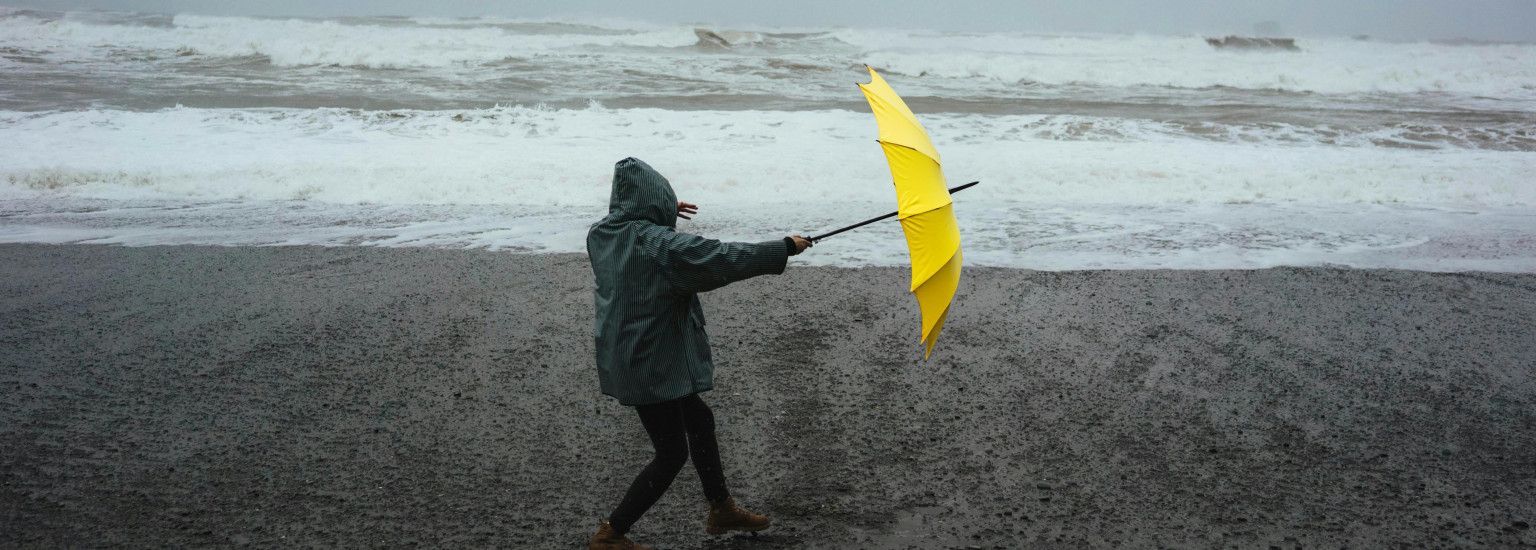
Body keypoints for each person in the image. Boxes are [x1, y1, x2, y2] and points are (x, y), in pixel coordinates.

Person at [586, 158, 812, 550]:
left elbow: (636, 224)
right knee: (671, 452)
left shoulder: (602, 233)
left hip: (630, 351)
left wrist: (660, 210)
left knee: (699, 420)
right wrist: (783, 249)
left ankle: (721, 509)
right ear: (652, 202)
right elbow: (721, 257)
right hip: (650, 361)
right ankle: (612, 532)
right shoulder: (659, 244)